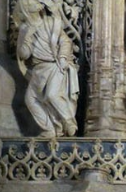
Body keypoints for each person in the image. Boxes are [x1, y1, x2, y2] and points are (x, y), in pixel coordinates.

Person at [15, 0, 79, 137]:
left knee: (52, 94)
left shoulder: (50, 22)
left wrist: (62, 58)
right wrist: (26, 39)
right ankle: (49, 129)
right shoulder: (25, 29)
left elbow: (65, 41)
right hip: (38, 70)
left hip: (54, 65)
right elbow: (24, 54)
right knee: (30, 100)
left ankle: (69, 122)